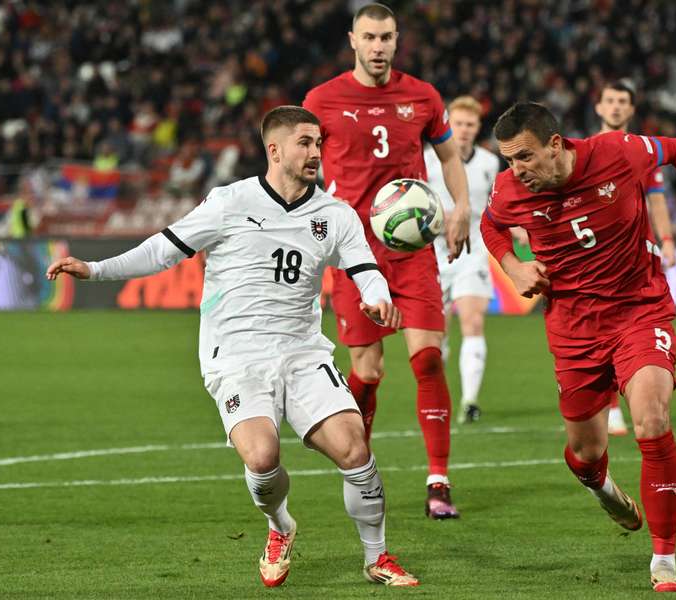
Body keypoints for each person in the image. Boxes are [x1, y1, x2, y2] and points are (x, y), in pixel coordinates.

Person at [45, 106, 419, 588]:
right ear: (275, 149)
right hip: (237, 355)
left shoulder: (335, 214)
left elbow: (366, 271)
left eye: (318, 142)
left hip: (303, 351)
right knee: (262, 459)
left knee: (353, 447)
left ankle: (377, 557)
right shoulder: (229, 201)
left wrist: (377, 299)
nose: (314, 152)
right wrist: (95, 269)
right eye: (304, 142)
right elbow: (162, 250)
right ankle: (281, 526)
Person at [480, 102, 676, 592]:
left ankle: (664, 560)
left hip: (639, 311)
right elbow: (491, 227)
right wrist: (514, 267)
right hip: (573, 329)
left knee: (652, 420)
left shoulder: (617, 152)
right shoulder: (509, 190)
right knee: (584, 451)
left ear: (556, 145)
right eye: (509, 160)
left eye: (526, 157)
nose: (518, 170)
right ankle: (601, 486)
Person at [303, 3, 470, 519]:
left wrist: (460, 207)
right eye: (370, 37)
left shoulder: (421, 96)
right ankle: (363, 468)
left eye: (388, 38)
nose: (379, 47)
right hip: (353, 253)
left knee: (428, 358)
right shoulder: (323, 99)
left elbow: (447, 156)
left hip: (412, 248)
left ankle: (438, 480)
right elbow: (300, 162)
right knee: (367, 370)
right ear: (352, 39)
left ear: (398, 41)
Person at [595, 80, 676, 436]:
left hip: (636, 258)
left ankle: (628, 401)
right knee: (600, 332)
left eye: (622, 101)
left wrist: (668, 239)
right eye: (609, 101)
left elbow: (655, 197)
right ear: (599, 107)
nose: (615, 107)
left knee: (634, 328)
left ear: (631, 109)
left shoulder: (644, 152)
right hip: (595, 257)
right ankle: (608, 406)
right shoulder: (584, 150)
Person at [424, 96, 499, 424]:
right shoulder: (427, 161)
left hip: (473, 252)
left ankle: (470, 401)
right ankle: (441, 396)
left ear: (478, 127)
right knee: (437, 334)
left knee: (473, 321)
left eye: (470, 125)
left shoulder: (489, 161)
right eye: (459, 124)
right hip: (434, 253)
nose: (465, 130)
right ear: (448, 126)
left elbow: (496, 205)